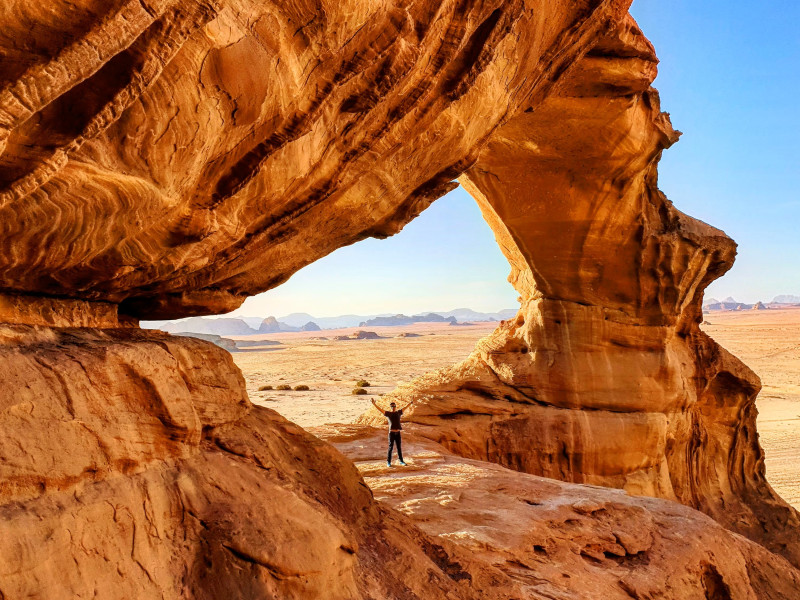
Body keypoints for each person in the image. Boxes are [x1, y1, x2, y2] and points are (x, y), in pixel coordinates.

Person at [371, 398, 414, 466]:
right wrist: (374, 404)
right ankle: (388, 462)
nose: (393, 407)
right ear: (390, 407)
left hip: (398, 433)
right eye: (392, 406)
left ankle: (401, 461)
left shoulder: (398, 412)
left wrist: (410, 403)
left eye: (394, 406)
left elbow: (405, 407)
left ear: (395, 406)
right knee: (390, 447)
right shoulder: (388, 414)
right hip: (391, 433)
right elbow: (380, 410)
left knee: (399, 447)